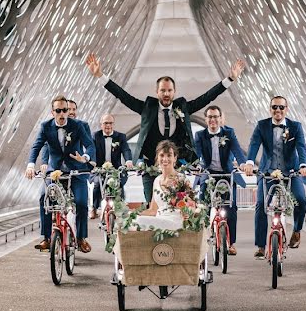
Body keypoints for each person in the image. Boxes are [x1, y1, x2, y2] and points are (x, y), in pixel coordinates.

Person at [85, 52, 246, 203]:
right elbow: (123, 96)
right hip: (150, 166)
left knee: (176, 204)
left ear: (174, 92)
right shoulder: (148, 107)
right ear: (157, 92)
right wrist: (100, 75)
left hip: (176, 167)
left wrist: (230, 79)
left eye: (169, 90)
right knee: (152, 204)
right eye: (163, 90)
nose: (166, 94)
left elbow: (207, 97)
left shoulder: (182, 107)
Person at [240, 96, 306, 257]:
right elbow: (254, 144)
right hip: (268, 172)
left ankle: (297, 231)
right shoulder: (262, 125)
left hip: (291, 172)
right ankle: (260, 246)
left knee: (301, 200)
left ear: (287, 109)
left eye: (281, 107)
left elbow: (301, 147)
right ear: (270, 108)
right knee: (260, 205)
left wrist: (303, 166)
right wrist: (249, 162)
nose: (278, 110)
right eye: (274, 107)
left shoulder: (295, 127)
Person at [26, 95, 96, 253]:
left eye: (65, 110)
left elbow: (90, 145)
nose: (63, 113)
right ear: (53, 112)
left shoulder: (77, 125)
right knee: (43, 198)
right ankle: (46, 238)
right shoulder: (45, 126)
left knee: (81, 202)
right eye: (59, 111)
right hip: (55, 171)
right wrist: (31, 165)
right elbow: (36, 146)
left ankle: (81, 238)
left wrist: (84, 158)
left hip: (76, 171)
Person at [193, 105, 245, 255]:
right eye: (210, 117)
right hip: (208, 174)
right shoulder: (200, 135)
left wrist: (242, 163)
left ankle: (231, 243)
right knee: (203, 204)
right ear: (205, 119)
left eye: (216, 116)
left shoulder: (229, 133)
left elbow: (237, 150)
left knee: (231, 207)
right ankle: (201, 239)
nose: (213, 120)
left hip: (227, 174)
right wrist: (196, 165)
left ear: (220, 118)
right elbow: (197, 154)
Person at [135, 141, 188, 230]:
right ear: (157, 158)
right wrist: (134, 214)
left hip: (175, 222)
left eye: (169, 155)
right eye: (162, 155)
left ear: (175, 158)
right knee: (134, 221)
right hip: (159, 220)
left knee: (140, 221)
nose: (165, 159)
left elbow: (190, 206)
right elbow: (153, 210)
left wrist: (187, 213)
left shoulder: (181, 179)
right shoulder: (156, 180)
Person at [91, 113, 133, 219]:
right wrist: (92, 162)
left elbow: (126, 149)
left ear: (113, 124)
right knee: (97, 185)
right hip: (99, 169)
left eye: (110, 123)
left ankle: (121, 209)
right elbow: (91, 150)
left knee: (119, 184)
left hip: (115, 169)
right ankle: (94, 208)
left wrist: (128, 160)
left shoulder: (120, 136)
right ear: (101, 124)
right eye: (105, 123)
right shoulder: (95, 136)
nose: (108, 125)